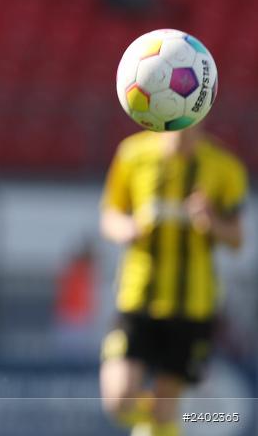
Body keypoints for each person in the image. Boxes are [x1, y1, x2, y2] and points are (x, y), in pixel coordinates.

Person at [99, 124, 246, 436]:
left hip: (192, 306)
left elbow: (237, 238)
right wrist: (128, 228)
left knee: (165, 409)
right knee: (119, 400)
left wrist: (211, 221)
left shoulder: (224, 166)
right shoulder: (133, 154)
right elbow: (109, 216)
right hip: (138, 297)